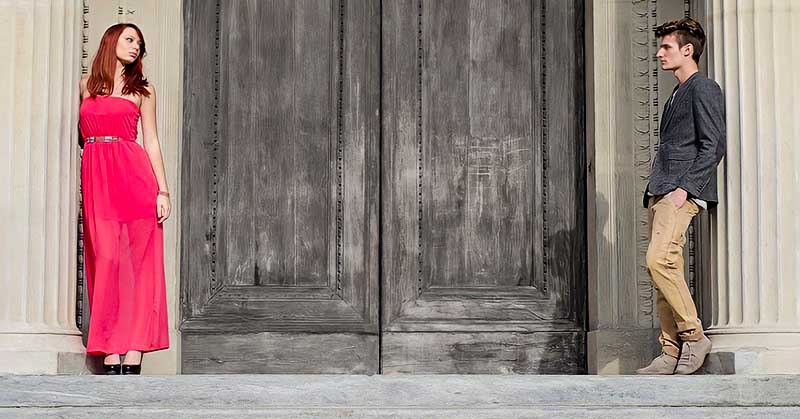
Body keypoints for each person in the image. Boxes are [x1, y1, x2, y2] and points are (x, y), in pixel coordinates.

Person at [636, 18, 726, 375]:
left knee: (660, 261)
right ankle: (670, 350)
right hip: (660, 189)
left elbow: (713, 145)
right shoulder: (677, 91)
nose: (659, 53)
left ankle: (694, 335)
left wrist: (683, 189)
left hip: (679, 191)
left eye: (666, 47)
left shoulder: (702, 88)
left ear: (687, 50)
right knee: (661, 273)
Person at [79, 23, 170, 375]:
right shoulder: (85, 87)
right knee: (108, 261)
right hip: (99, 180)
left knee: (139, 268)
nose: (136, 47)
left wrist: (163, 191)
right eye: (130, 39)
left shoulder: (143, 90)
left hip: (135, 181)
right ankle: (110, 346)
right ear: (111, 40)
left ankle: (132, 350)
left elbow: (152, 142)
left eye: (139, 44)